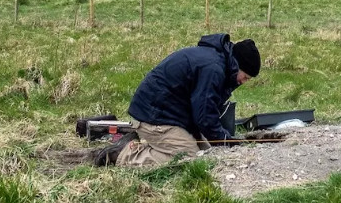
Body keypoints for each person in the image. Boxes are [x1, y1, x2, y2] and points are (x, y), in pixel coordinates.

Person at [106, 33, 260, 167]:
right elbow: (205, 117)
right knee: (190, 157)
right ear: (237, 65)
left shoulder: (218, 63)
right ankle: (124, 154)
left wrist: (222, 140)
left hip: (172, 116)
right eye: (245, 77)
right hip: (154, 118)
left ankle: (156, 145)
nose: (244, 82)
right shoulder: (213, 69)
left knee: (209, 153)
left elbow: (204, 111)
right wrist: (226, 140)